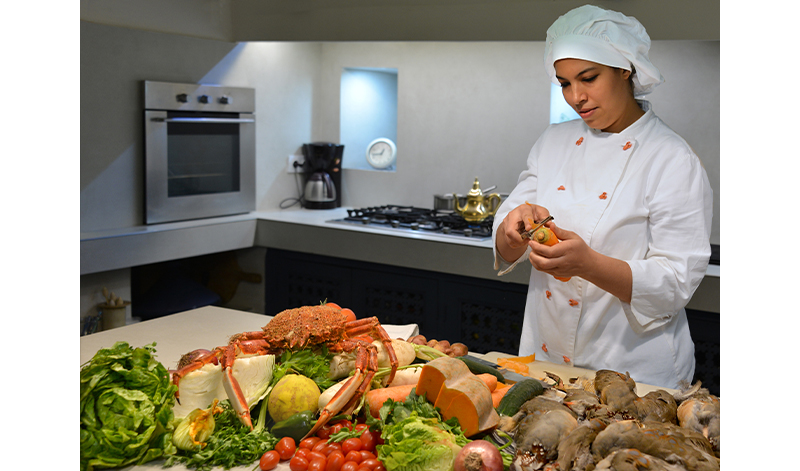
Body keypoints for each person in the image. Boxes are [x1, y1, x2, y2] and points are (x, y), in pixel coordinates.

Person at [492, 4, 713, 389]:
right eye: (563, 83)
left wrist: (588, 264)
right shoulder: (553, 142)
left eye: (588, 78)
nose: (576, 96)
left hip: (634, 373)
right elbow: (509, 239)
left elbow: (676, 283)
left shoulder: (671, 158)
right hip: (546, 361)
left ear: (625, 68)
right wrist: (512, 229)